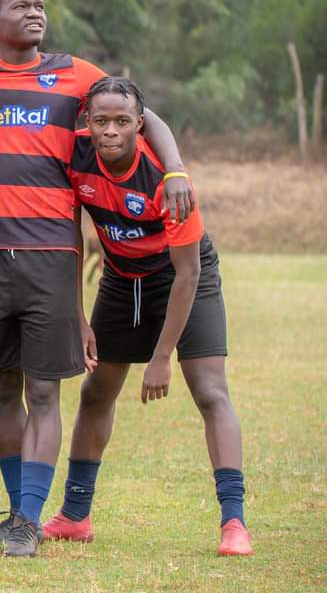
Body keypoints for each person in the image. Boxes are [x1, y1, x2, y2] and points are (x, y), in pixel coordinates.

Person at [0, 0, 194, 557]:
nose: (35, 13)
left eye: (39, 4)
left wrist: (178, 169)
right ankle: (15, 512)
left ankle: (31, 521)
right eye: (21, 6)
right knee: (0, 387)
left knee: (43, 389)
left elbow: (146, 116)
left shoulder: (76, 76)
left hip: (51, 257)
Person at [41, 77, 251, 556]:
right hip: (120, 278)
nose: (110, 130)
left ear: (140, 125)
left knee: (210, 390)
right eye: (100, 121)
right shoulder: (75, 157)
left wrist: (160, 359)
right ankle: (75, 515)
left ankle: (234, 522)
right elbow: (71, 241)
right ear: (87, 124)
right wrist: (77, 315)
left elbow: (188, 274)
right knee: (96, 392)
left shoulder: (167, 182)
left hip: (180, 277)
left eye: (121, 121)